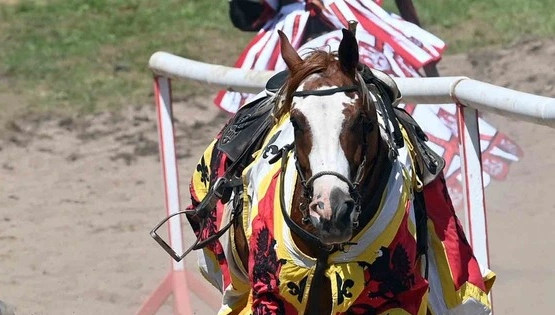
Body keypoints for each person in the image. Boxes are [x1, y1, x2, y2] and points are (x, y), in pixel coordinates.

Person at [219, 0, 520, 203]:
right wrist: (413, 29)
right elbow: (245, 13)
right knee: (264, 117)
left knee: (407, 100)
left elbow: (245, 14)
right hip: (327, 24)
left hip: (347, 21)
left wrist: (412, 31)